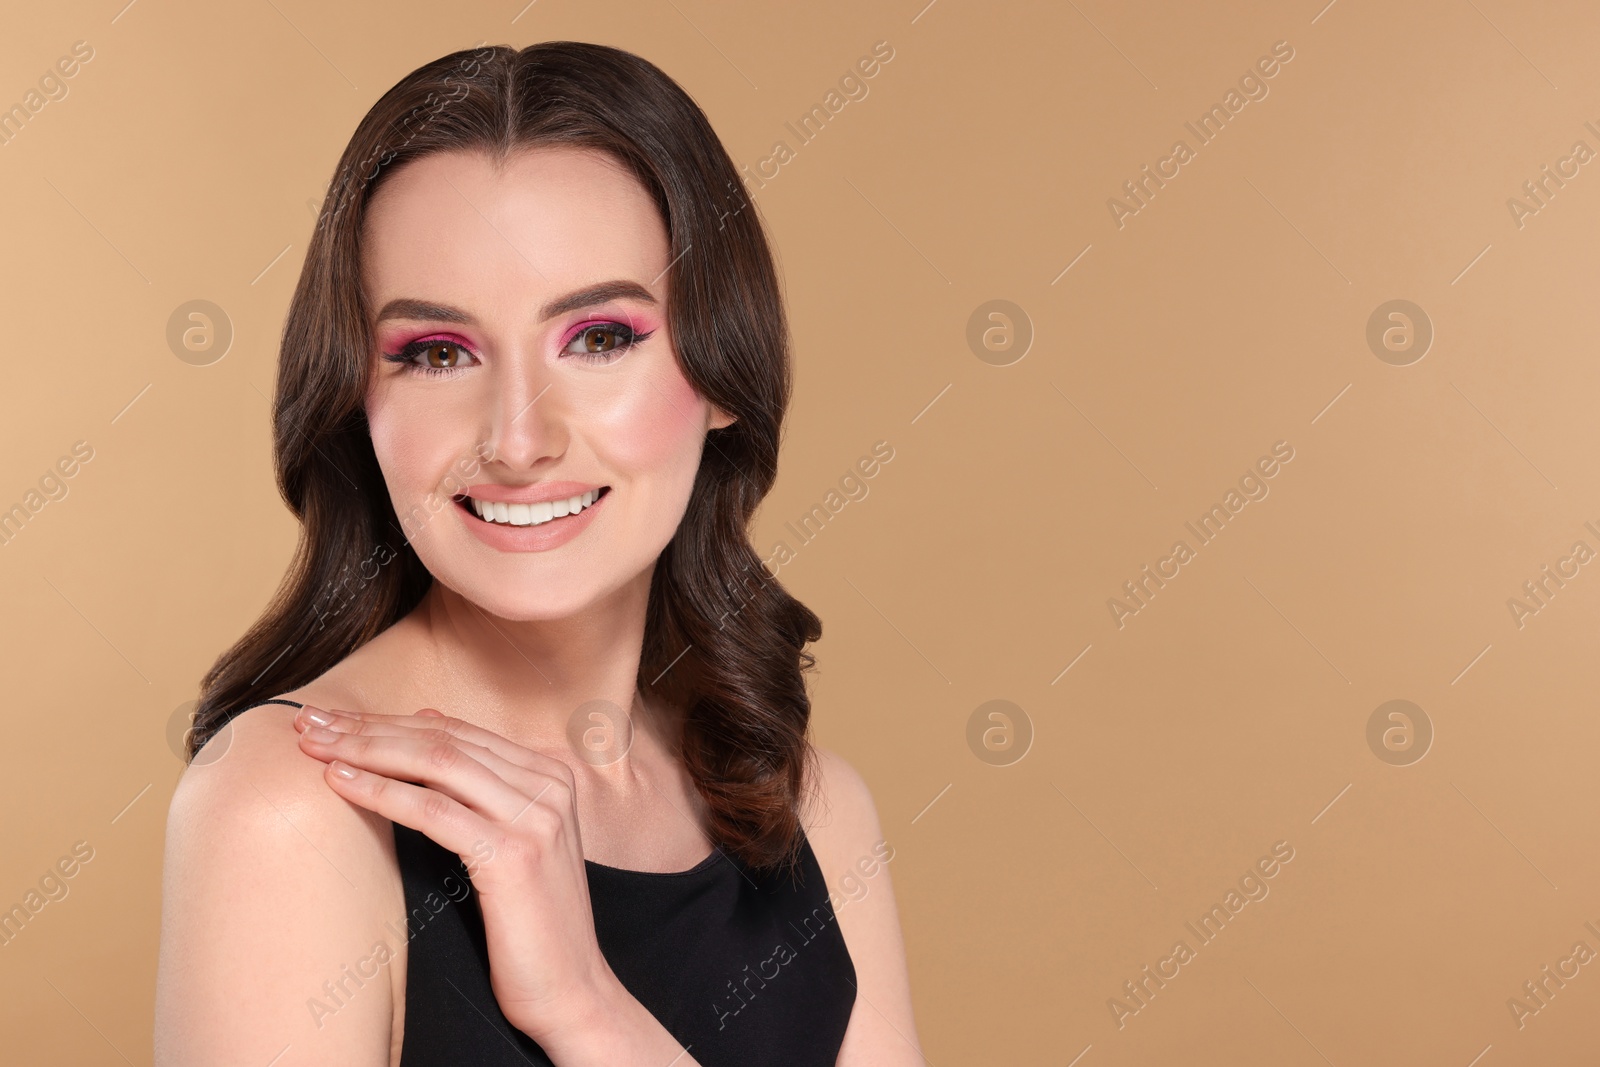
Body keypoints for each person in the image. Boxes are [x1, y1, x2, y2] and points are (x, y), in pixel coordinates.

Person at [153, 40, 921, 1067]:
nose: (517, 440)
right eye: (436, 353)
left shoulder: (807, 810)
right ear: (358, 400)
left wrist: (585, 1007)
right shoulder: (285, 813)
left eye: (600, 336)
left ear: (724, 370)